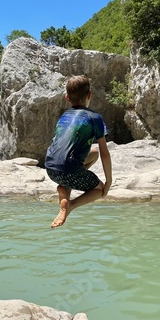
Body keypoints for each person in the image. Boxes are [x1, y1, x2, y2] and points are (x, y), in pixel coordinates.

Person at [45, 75, 112, 228]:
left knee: (92, 153)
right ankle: (70, 205)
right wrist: (108, 182)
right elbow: (105, 153)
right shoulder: (95, 118)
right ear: (90, 95)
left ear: (67, 98)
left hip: (50, 169)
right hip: (69, 170)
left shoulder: (64, 116)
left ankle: (65, 187)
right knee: (99, 190)